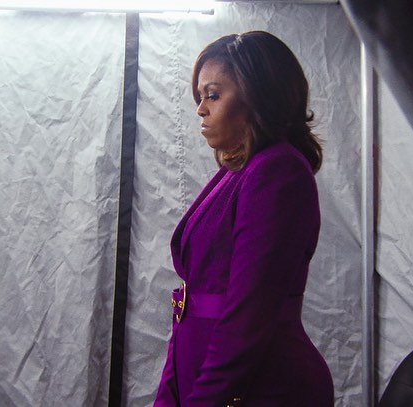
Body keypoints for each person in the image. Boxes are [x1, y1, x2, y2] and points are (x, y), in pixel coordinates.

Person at [154, 31, 334, 406]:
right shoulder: (238, 171)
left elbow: (247, 317)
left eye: (213, 95)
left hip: (261, 387)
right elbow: (190, 302)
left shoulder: (278, 172)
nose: (201, 109)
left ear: (258, 97)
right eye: (200, 97)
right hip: (204, 374)